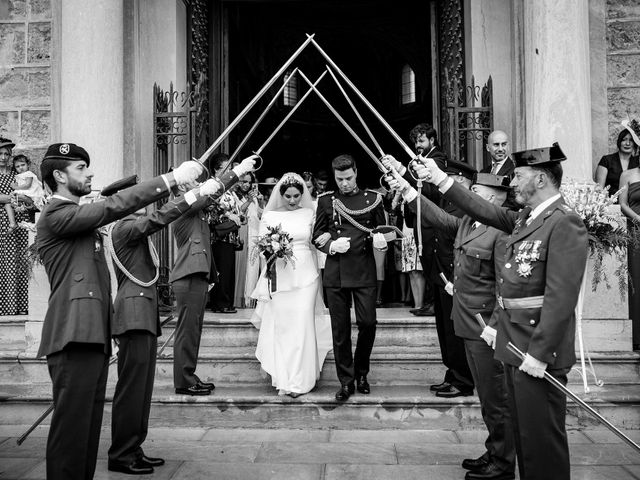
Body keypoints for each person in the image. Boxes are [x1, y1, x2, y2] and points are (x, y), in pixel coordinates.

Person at [414, 143, 588, 480]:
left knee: (542, 440)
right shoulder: (526, 218)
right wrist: (438, 179)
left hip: (538, 349)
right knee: (524, 435)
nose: (512, 183)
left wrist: (539, 353)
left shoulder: (564, 222)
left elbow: (561, 298)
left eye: (518, 176)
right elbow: (483, 210)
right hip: (513, 343)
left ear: (540, 179)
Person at [35, 142, 205, 480]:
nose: (91, 173)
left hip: (92, 336)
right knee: (72, 433)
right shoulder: (57, 214)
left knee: (86, 429)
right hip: (72, 335)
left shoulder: (79, 220)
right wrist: (170, 179)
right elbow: (115, 206)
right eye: (81, 168)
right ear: (58, 175)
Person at [388, 171, 516, 480]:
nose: (468, 194)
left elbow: (507, 287)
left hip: (486, 328)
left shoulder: (500, 231)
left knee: (497, 399)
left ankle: (503, 463)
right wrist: (406, 188)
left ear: (492, 199)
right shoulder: (468, 223)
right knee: (487, 398)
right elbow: (438, 216)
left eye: (476, 192)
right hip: (467, 323)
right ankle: (495, 450)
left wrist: (496, 327)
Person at [104, 174, 224, 475]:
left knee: (141, 391)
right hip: (133, 315)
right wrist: (193, 193)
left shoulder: (130, 229)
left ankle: (132, 447)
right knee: (132, 390)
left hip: (141, 314)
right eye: (136, 196)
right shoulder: (125, 227)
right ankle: (121, 452)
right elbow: (160, 218)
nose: (141, 200)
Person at [170, 155, 258, 396]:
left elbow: (215, 196)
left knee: (193, 330)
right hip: (189, 274)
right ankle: (184, 380)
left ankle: (188, 376)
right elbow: (210, 193)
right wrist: (237, 172)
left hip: (196, 274)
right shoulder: (183, 202)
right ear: (182, 185)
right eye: (192, 181)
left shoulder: (194, 205)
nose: (197, 183)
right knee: (187, 331)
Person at [313, 154, 388, 401]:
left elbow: (385, 233)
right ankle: (346, 381)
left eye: (348, 177)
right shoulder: (326, 201)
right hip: (336, 272)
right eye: (339, 179)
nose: (344, 183)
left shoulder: (373, 199)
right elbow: (317, 236)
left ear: (356, 172)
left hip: (364, 269)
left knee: (368, 323)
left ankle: (361, 372)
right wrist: (332, 246)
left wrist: (382, 242)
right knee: (340, 331)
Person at [250, 173, 332, 397]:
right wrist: (273, 249)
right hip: (280, 274)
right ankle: (283, 377)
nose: (293, 200)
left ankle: (300, 380)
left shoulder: (310, 212)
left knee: (302, 324)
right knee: (284, 326)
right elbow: (261, 246)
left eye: (297, 195)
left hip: (306, 275)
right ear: (281, 194)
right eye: (288, 196)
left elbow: (317, 240)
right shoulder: (270, 215)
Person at [208, 153, 243, 314]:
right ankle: (220, 303)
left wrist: (239, 217)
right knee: (222, 269)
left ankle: (227, 301)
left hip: (230, 236)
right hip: (220, 236)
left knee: (228, 269)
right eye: (226, 168)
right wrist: (230, 216)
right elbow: (211, 207)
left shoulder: (227, 188)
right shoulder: (213, 186)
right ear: (216, 170)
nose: (230, 171)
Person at [617, 117, 640, 350]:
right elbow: (622, 203)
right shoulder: (628, 175)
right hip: (635, 231)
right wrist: (637, 219)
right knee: (637, 279)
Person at [0, 138, 29, 315]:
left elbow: (28, 195)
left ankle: (18, 306)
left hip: (18, 222)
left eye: (6, 154)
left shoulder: (17, 173)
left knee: (17, 262)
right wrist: (12, 198)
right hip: (1, 223)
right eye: (0, 154)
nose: (3, 157)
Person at [232, 171, 261, 308]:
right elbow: (238, 212)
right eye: (244, 181)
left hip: (255, 234)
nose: (247, 185)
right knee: (241, 267)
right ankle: (238, 300)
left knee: (253, 267)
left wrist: (259, 201)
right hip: (242, 234)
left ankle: (250, 300)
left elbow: (260, 214)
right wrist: (249, 200)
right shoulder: (233, 195)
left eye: (249, 182)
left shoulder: (254, 197)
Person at [596, 120, 640, 194]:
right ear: (619, 142)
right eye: (624, 140)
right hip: (611, 203)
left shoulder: (637, 162)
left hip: (631, 204)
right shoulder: (606, 160)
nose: (628, 143)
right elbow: (599, 189)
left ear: (635, 143)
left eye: (631, 140)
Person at [5, 154, 45, 227]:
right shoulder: (18, 176)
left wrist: (16, 187)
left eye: (23, 165)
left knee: (15, 197)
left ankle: (18, 208)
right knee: (9, 201)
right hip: (25, 192)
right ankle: (16, 211)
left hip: (31, 192)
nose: (21, 168)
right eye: (18, 166)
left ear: (28, 164)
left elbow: (27, 185)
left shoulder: (28, 174)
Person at [481, 130, 518, 210]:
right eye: (496, 145)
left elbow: (515, 202)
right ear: (488, 147)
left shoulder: (516, 171)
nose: (500, 149)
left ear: (508, 146)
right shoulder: (483, 172)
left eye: (504, 144)